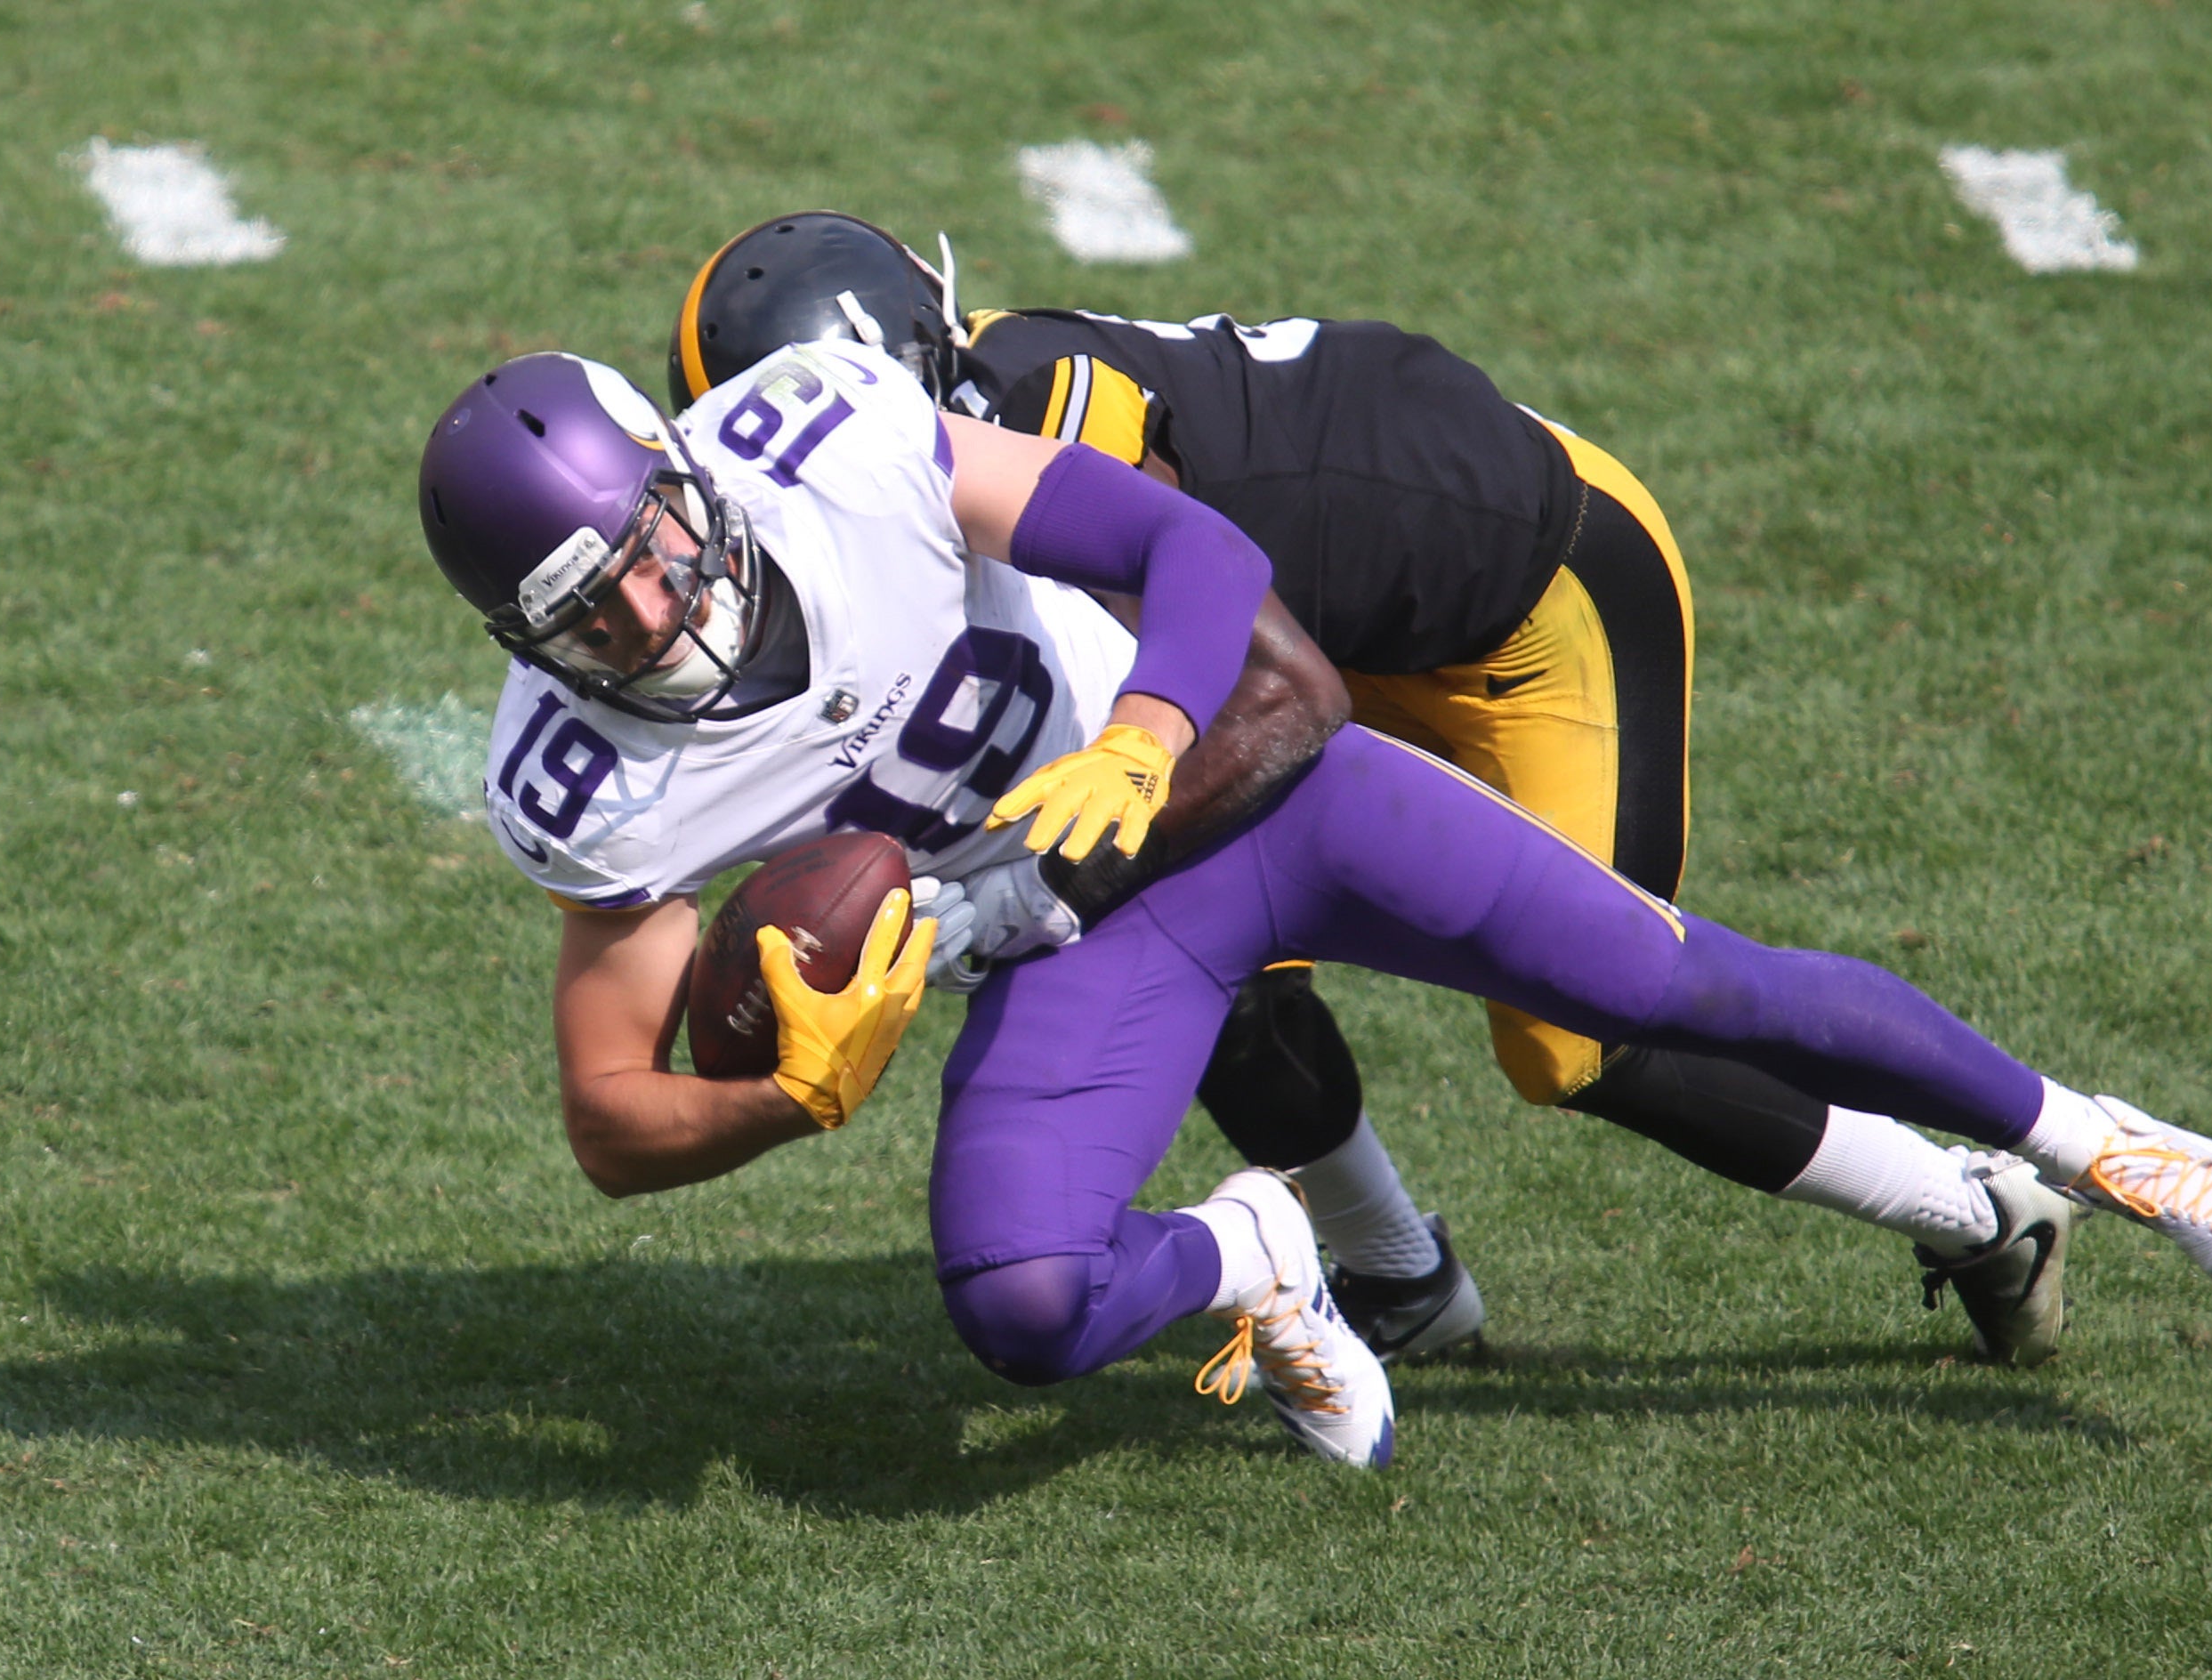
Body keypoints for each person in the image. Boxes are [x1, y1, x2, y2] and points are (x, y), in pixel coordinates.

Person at [416, 341, 2212, 1467]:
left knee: (1661, 982)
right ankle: (1256, 1249)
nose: (654, 615)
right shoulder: (585, 777)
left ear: (685, 477)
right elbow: (608, 1118)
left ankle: (2102, 1138)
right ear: (524, 638)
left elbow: (1194, 544)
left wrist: (1147, 732)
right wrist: (792, 1094)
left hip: (1254, 796)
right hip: (1069, 933)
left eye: (653, 553)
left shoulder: (826, 438)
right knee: (1019, 1304)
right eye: (595, 610)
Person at [664, 214, 2064, 1367]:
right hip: (1302, 653)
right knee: (1180, 931)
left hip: (1517, 607)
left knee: (1581, 1035)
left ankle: (1984, 1207)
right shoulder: (900, 471)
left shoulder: (1039, 415)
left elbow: (1196, 625)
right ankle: (1402, 1277)